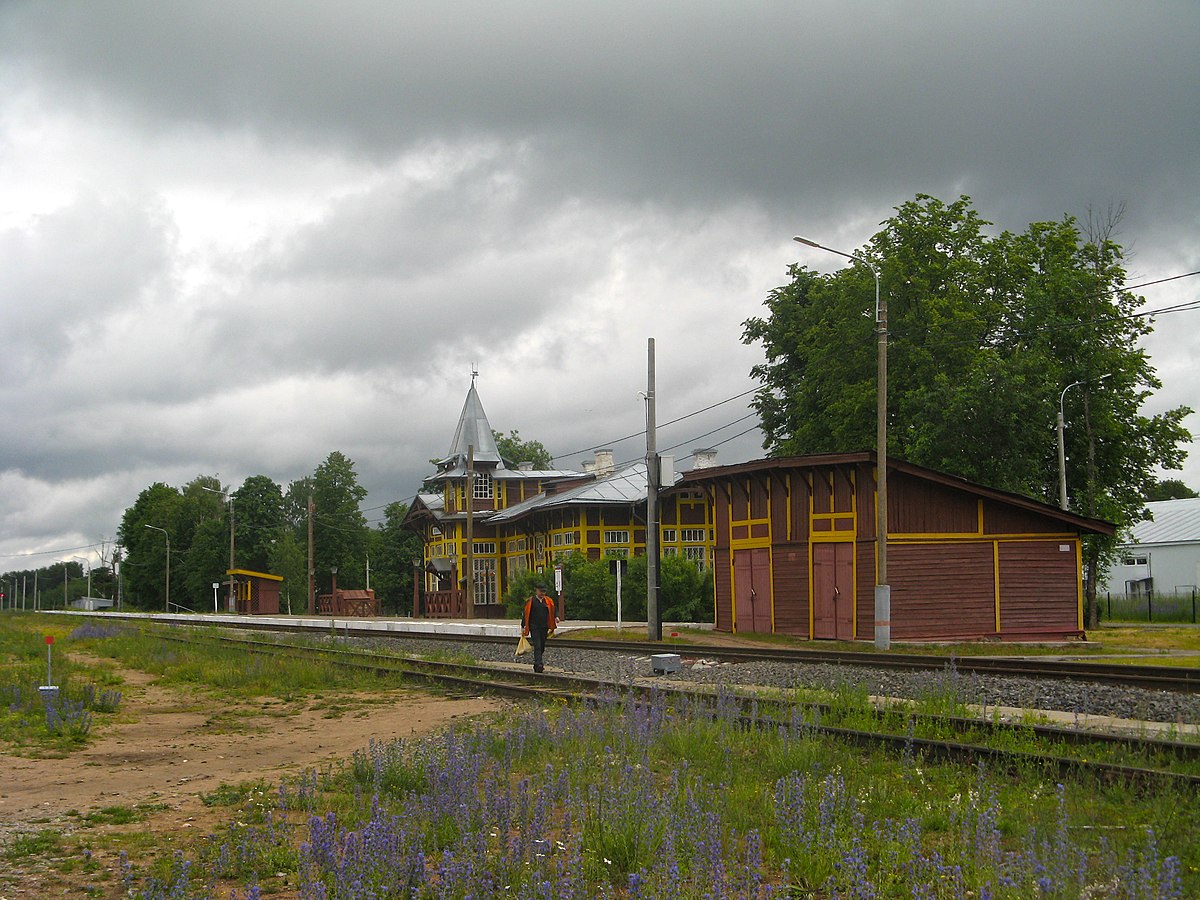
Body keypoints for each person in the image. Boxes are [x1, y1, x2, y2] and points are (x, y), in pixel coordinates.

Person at [522, 582, 557, 673]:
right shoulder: (531, 601)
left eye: (544, 592)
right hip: (534, 627)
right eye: (541, 591)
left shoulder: (548, 601)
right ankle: (539, 664)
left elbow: (552, 611)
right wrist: (523, 626)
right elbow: (525, 614)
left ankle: (537, 662)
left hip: (544, 626)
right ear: (536, 590)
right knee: (537, 645)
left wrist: (555, 618)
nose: (542, 593)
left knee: (542, 646)